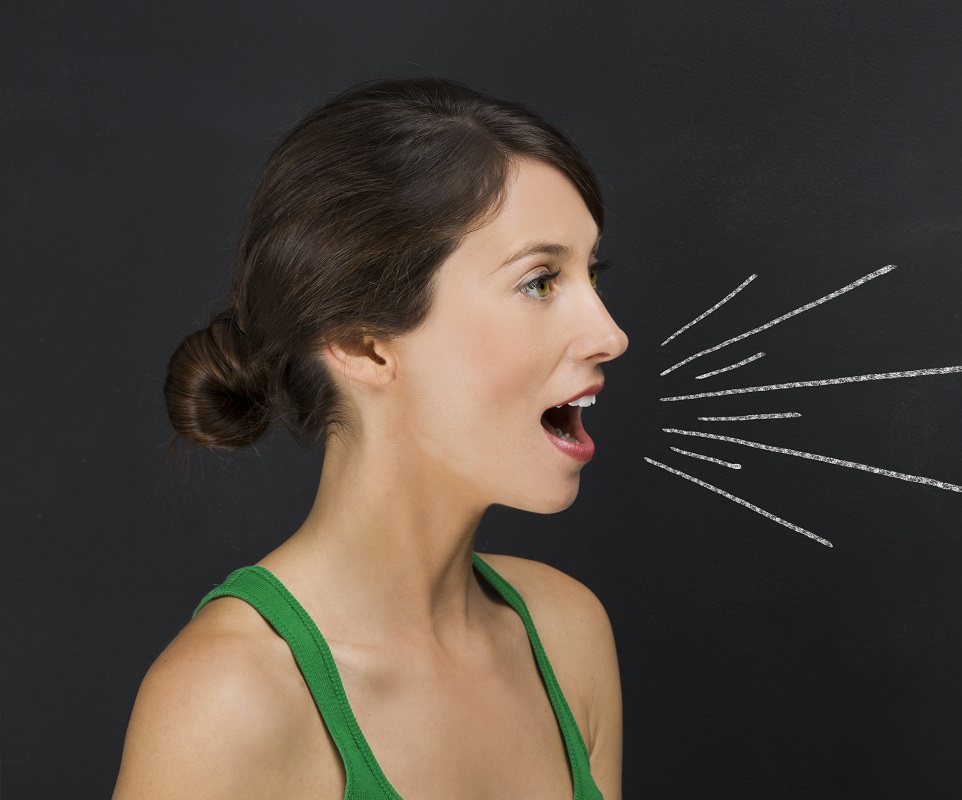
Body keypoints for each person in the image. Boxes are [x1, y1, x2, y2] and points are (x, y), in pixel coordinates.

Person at [112, 77, 628, 800]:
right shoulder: (228, 700)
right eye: (540, 281)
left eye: (592, 274)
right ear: (362, 344)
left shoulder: (568, 635)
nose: (611, 335)